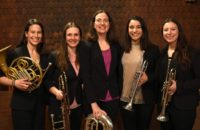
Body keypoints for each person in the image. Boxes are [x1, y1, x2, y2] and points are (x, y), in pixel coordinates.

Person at [0, 18, 50, 130]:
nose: (36, 35)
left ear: (42, 35)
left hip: (39, 105)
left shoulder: (44, 55)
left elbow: (45, 81)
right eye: (32, 32)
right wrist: (14, 82)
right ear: (26, 34)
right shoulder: (16, 53)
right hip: (21, 105)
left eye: (39, 32)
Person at [155, 18, 200, 130]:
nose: (169, 32)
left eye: (173, 29)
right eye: (166, 30)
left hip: (184, 107)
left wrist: (179, 85)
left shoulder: (192, 53)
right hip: (164, 107)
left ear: (179, 31)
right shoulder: (162, 54)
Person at [120, 16, 160, 130]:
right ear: (127, 30)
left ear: (143, 30)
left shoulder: (153, 49)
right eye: (131, 27)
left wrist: (148, 77)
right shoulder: (121, 48)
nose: (134, 30)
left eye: (138, 27)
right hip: (125, 98)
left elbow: (158, 73)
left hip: (145, 99)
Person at [83, 9, 123, 124]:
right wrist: (94, 104)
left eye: (105, 20)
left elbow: (119, 72)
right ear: (93, 24)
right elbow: (86, 77)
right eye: (99, 20)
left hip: (113, 97)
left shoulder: (116, 45)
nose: (102, 23)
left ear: (109, 25)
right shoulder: (86, 46)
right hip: (94, 99)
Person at [45, 22, 84, 130]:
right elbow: (46, 80)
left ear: (80, 37)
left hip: (78, 106)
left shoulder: (83, 56)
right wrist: (56, 92)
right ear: (65, 37)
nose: (73, 38)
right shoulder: (55, 56)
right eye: (69, 35)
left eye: (76, 35)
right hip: (60, 106)